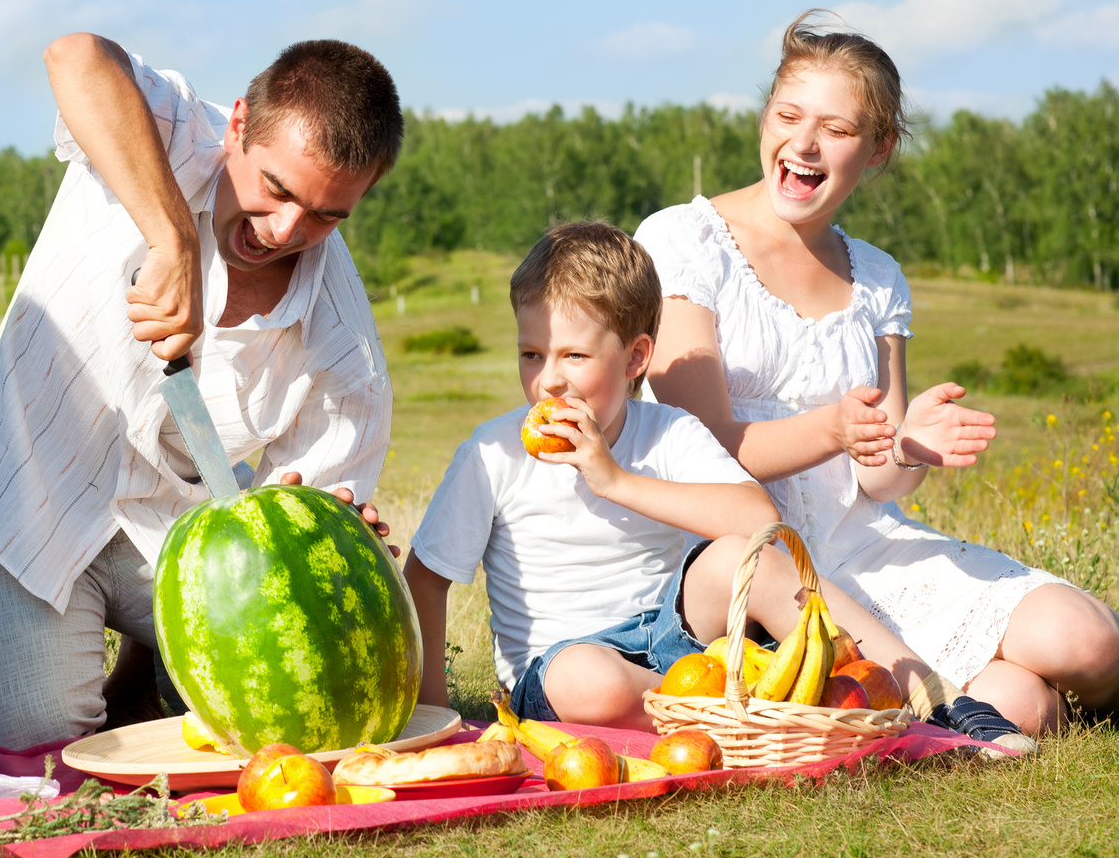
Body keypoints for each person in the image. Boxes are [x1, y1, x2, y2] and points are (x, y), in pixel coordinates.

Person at [635, 10, 1119, 736]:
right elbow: (705, 449)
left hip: (867, 542)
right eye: (788, 114)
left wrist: (905, 446)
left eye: (835, 128)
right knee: (1027, 706)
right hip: (751, 562)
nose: (802, 143)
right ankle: (966, 707)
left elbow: (877, 477)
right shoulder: (685, 241)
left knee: (1088, 639)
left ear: (880, 147)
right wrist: (834, 428)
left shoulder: (879, 276)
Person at [0, 36, 402, 748]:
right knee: (36, 737)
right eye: (275, 189)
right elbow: (76, 57)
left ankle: (150, 656)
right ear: (238, 124)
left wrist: (325, 530)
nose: (286, 231)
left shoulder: (346, 352)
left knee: (297, 703)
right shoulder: (178, 130)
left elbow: (294, 558)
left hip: (179, 530)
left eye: (327, 215)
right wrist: (172, 238)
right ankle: (142, 661)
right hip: (17, 496)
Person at [403, 222, 1005, 737]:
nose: (548, 382)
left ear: (637, 359)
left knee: (750, 557)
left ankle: (928, 693)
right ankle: (766, 713)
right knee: (586, 680)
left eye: (574, 357)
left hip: (681, 640)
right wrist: (435, 716)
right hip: (563, 667)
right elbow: (427, 578)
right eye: (530, 355)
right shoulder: (494, 452)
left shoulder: (667, 431)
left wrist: (614, 480)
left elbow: (759, 523)